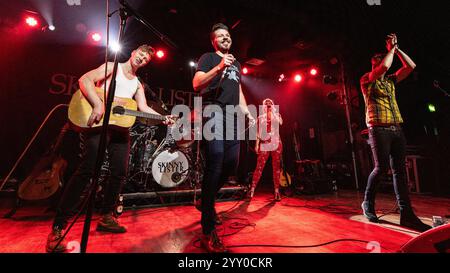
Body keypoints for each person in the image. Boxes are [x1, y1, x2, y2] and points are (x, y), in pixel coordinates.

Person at [46, 44, 174, 252]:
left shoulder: (138, 84)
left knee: (119, 172)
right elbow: (84, 80)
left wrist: (162, 118)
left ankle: (106, 216)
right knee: (87, 171)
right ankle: (58, 226)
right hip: (99, 124)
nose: (142, 59)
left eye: (146, 59)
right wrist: (98, 104)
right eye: (140, 54)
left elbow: (142, 108)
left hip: (120, 129)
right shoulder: (111, 67)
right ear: (133, 53)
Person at [192, 23, 255, 253]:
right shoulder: (208, 58)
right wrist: (219, 67)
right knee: (216, 160)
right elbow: (197, 84)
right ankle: (208, 230)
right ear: (213, 41)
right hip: (213, 111)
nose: (225, 38)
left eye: (227, 35)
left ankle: (205, 200)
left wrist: (247, 111)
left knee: (231, 166)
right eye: (220, 36)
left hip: (232, 116)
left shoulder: (236, 63)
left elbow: (237, 90)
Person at [360, 34, 431, 232]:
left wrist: (397, 49)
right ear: (373, 65)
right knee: (381, 168)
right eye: (377, 63)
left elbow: (411, 67)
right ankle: (367, 203)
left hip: (396, 128)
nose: (380, 66)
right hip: (378, 128)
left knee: (400, 171)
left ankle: (406, 214)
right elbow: (383, 67)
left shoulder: (390, 81)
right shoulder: (367, 78)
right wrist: (390, 50)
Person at [248, 98, 283, 201]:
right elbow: (258, 133)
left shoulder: (277, 115)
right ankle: (252, 190)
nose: (268, 104)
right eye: (266, 103)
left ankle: (277, 191)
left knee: (276, 167)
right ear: (263, 106)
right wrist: (257, 144)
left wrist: (272, 113)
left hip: (276, 143)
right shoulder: (260, 118)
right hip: (265, 143)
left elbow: (280, 123)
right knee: (259, 166)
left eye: (270, 103)